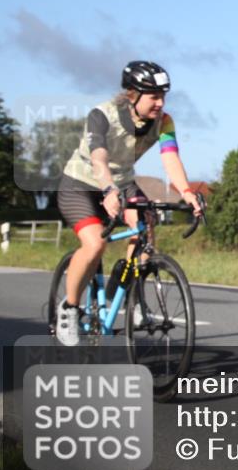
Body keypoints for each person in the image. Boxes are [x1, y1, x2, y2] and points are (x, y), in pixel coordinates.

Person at [54, 61, 202, 346]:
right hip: (81, 186)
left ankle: (127, 293)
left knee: (146, 227)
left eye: (163, 96)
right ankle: (69, 308)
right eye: (154, 96)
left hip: (122, 183)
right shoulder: (102, 115)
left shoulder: (164, 121)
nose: (160, 103)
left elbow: (170, 156)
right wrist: (108, 188)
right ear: (133, 94)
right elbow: (98, 157)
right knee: (95, 244)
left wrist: (186, 191)